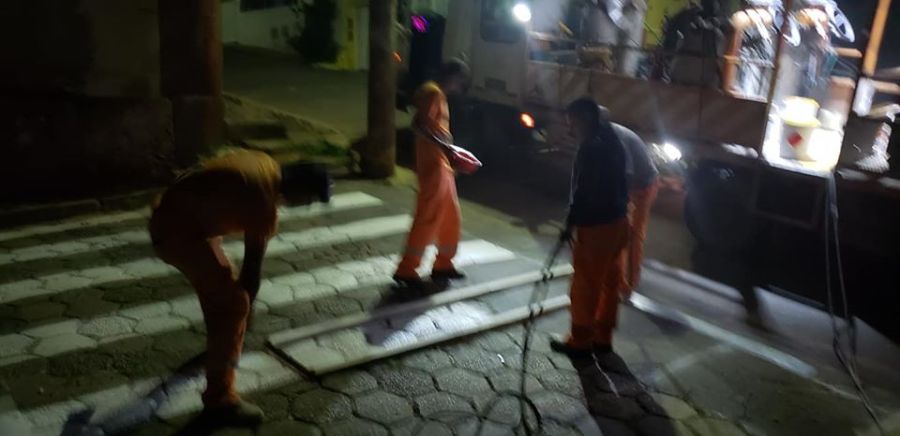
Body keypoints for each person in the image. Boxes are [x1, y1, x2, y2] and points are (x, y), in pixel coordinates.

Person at [149, 150, 330, 426]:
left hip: (180, 216)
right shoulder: (263, 202)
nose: (305, 206)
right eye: (309, 200)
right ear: (299, 189)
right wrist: (246, 314)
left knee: (225, 294)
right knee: (233, 306)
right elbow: (252, 268)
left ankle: (219, 347)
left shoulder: (266, 166)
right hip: (178, 233)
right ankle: (220, 401)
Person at [550, 97, 630, 357]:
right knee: (610, 282)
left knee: (585, 285)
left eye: (572, 123)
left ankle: (580, 342)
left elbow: (583, 192)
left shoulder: (590, 149)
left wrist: (569, 225)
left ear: (584, 119)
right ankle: (602, 337)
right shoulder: (613, 140)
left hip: (596, 228)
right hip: (619, 222)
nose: (570, 129)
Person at [394, 60, 471, 288]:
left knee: (451, 216)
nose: (460, 87)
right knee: (427, 218)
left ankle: (443, 263)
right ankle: (406, 269)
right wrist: (447, 148)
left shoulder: (436, 94)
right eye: (460, 81)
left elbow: (430, 127)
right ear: (453, 77)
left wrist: (450, 152)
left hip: (442, 165)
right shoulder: (433, 94)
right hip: (433, 166)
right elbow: (419, 125)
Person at [607, 111, 659, 299]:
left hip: (644, 186)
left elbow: (627, 173)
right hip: (630, 184)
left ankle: (629, 284)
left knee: (632, 236)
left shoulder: (615, 138)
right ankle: (618, 280)